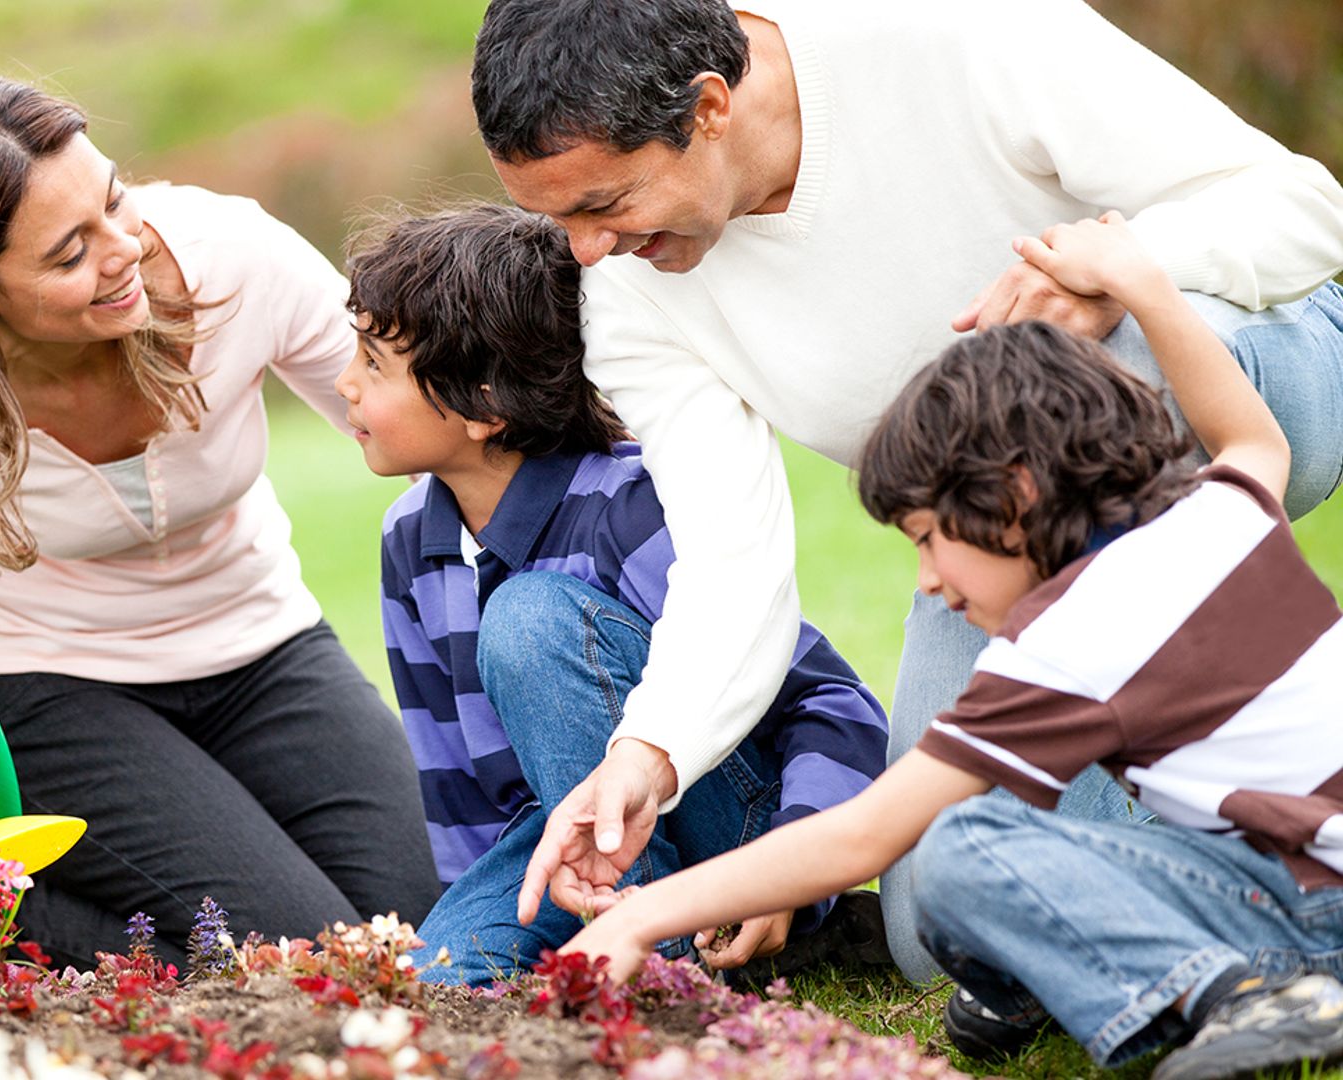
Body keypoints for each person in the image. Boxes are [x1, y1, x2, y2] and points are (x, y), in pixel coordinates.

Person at [471, 0, 1343, 982]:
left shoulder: (954, 32)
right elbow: (730, 564)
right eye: (558, 219)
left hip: (1247, 370)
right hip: (1001, 537)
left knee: (1091, 370)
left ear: (709, 106)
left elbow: (1300, 206)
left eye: (605, 204)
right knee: (943, 941)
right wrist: (649, 755)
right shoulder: (632, 298)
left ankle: (1247, 902)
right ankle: (1228, 882)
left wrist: (1123, 275)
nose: (585, 250)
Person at [553, 212, 1343, 1080]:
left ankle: (1246, 1001)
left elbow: (865, 837)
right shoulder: (1219, 512)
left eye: (929, 537)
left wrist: (638, 916)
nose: (927, 579)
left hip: (1311, 915)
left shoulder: (1072, 637)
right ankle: (1057, 980)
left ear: (1017, 495)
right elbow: (1253, 437)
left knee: (963, 850)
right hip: (1296, 871)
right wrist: (1143, 284)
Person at [0, 77, 439, 970]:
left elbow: (400, 404)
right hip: (42, 681)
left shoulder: (232, 259)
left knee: (422, 931)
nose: (123, 252)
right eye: (71, 253)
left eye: (115, 202)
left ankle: (29, 906)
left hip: (260, 647)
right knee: (305, 957)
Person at [335, 204, 888, 986]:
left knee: (528, 619)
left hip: (730, 840)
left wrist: (790, 868)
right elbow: (459, 784)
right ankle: (629, 953)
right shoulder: (410, 542)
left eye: (373, 363)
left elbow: (835, 706)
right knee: (433, 985)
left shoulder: (628, 509)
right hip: (560, 854)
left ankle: (663, 967)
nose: (342, 384)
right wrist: (476, 905)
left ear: (484, 407)